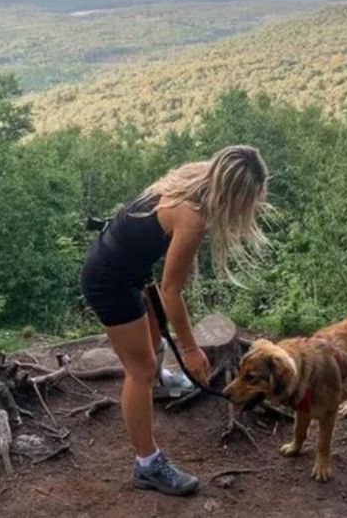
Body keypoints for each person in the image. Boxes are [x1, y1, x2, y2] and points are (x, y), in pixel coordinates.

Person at [80, 145, 271, 496]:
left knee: (149, 349)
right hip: (109, 280)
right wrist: (190, 348)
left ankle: (157, 380)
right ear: (235, 194)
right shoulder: (192, 217)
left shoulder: (197, 175)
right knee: (138, 369)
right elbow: (171, 292)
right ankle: (147, 465)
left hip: (126, 265)